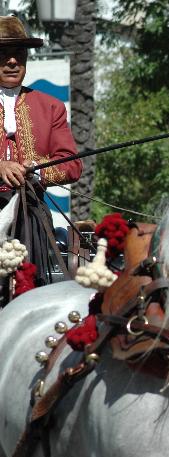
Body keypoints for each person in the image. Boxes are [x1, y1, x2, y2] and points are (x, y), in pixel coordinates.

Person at [0, 15, 82, 293]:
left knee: (34, 291)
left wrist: (37, 167)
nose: (13, 62)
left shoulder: (51, 107)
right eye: (4, 54)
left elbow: (72, 166)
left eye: (19, 55)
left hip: (30, 218)